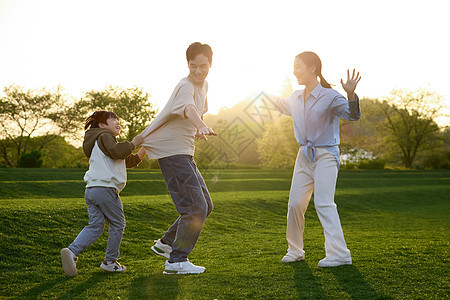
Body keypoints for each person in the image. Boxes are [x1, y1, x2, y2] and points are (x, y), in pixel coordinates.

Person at [273, 51, 361, 267]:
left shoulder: (330, 96)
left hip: (326, 155)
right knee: (295, 204)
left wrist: (350, 95)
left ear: (313, 68)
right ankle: (295, 251)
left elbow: (352, 115)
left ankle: (340, 254)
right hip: (304, 155)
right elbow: (282, 105)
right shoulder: (295, 97)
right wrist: (259, 94)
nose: (295, 71)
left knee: (323, 202)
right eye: (293, 66)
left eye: (298, 66)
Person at [140, 42, 216, 275]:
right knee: (195, 208)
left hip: (184, 152)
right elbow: (188, 110)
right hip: (173, 154)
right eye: (193, 66)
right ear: (188, 65)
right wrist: (200, 124)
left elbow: (198, 109)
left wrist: (196, 130)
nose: (198, 71)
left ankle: (165, 243)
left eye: (203, 66)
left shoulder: (204, 86)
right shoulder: (185, 85)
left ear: (210, 64)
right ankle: (176, 261)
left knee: (205, 205)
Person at [61, 110, 146, 277]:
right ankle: (110, 262)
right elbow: (118, 152)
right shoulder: (105, 136)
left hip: (92, 190)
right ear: (102, 125)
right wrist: (134, 142)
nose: (117, 122)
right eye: (113, 119)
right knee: (118, 224)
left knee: (95, 225)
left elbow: (128, 160)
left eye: (118, 119)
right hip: (106, 189)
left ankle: (71, 251)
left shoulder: (99, 144)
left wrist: (145, 148)